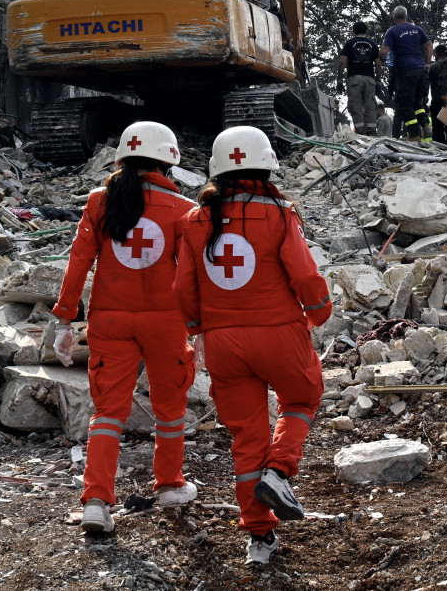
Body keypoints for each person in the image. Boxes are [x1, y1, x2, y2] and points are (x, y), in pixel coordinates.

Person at [174, 126, 332, 565]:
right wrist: (319, 311)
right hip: (279, 331)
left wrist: (197, 326)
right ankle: (280, 471)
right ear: (266, 166)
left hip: (222, 340)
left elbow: (184, 288)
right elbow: (303, 273)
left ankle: (258, 538)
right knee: (302, 397)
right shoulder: (280, 212)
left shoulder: (194, 220)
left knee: (246, 437)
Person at [52, 122, 200, 534]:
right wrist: (201, 325)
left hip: (109, 321)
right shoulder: (182, 208)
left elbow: (78, 262)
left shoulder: (99, 201)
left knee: (107, 413)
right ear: (168, 162)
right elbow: (191, 275)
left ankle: (96, 502)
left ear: (121, 158)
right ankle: (170, 485)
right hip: (165, 322)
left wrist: (64, 319)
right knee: (169, 409)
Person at [380, 6, 433, 141]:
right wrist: (427, 63)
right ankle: (425, 124)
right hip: (420, 69)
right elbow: (429, 45)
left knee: (404, 104)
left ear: (393, 18)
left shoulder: (392, 31)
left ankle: (414, 134)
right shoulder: (417, 29)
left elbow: (384, 52)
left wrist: (382, 61)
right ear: (406, 17)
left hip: (405, 71)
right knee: (417, 102)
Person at [337, 21, 383, 135]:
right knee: (370, 106)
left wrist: (339, 80)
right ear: (366, 31)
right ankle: (372, 132)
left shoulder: (349, 43)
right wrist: (378, 81)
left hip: (354, 79)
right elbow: (378, 64)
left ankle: (360, 132)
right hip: (369, 79)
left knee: (355, 106)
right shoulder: (372, 44)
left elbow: (342, 62)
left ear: (354, 31)